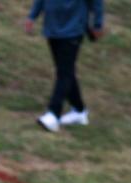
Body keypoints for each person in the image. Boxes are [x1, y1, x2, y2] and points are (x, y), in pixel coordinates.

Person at [26, 0, 104, 132]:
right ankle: (79, 111)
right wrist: (32, 16)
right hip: (52, 28)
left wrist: (98, 24)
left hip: (73, 29)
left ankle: (53, 113)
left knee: (64, 73)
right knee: (65, 71)